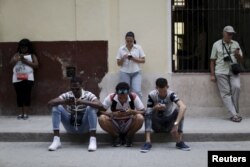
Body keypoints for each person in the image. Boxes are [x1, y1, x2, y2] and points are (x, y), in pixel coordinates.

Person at [47, 76, 103, 151]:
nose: (74, 91)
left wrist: (83, 102)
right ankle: (56, 140)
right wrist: (64, 101)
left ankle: (93, 140)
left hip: (84, 126)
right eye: (72, 89)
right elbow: (50, 103)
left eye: (77, 88)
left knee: (91, 108)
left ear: (82, 86)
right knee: (56, 107)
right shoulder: (68, 95)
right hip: (70, 126)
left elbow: (100, 105)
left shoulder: (88, 94)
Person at [140, 78, 190, 153]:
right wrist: (155, 108)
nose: (163, 93)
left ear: (167, 87)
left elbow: (183, 107)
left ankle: (179, 142)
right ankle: (148, 142)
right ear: (156, 88)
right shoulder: (152, 95)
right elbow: (147, 111)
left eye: (164, 91)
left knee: (180, 111)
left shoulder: (171, 94)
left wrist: (176, 124)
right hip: (157, 124)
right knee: (148, 112)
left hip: (169, 123)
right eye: (160, 91)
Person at [210, 25, 243, 122]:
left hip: (234, 70)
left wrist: (237, 55)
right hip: (221, 71)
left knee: (236, 87)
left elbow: (241, 60)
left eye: (232, 34)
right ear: (223, 33)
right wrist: (212, 74)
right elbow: (212, 60)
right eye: (228, 34)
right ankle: (234, 115)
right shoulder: (216, 44)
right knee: (226, 93)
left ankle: (235, 112)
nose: (230, 36)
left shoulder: (236, 44)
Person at [98, 82, 144, 147]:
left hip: (129, 122)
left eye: (125, 97)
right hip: (115, 123)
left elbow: (143, 112)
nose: (122, 99)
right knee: (101, 118)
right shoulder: (111, 97)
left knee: (140, 118)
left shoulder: (133, 96)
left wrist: (132, 112)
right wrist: (111, 114)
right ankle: (115, 136)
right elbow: (100, 111)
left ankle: (129, 136)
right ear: (116, 93)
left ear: (128, 93)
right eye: (120, 97)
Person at [10, 38, 39, 120]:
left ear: (28, 47)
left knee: (27, 95)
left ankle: (25, 113)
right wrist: (16, 59)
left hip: (28, 78)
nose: (23, 49)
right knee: (19, 95)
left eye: (25, 47)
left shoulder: (32, 55)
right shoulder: (16, 55)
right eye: (22, 47)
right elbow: (10, 64)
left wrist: (25, 61)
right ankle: (20, 113)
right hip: (17, 78)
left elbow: (36, 65)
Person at [116, 31, 145, 99]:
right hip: (124, 72)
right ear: (125, 40)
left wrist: (133, 58)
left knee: (137, 91)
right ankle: (127, 108)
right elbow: (118, 63)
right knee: (125, 91)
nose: (129, 43)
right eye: (127, 41)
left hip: (136, 72)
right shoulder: (121, 49)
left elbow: (143, 60)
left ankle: (139, 108)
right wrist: (123, 58)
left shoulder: (138, 48)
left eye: (131, 41)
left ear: (133, 40)